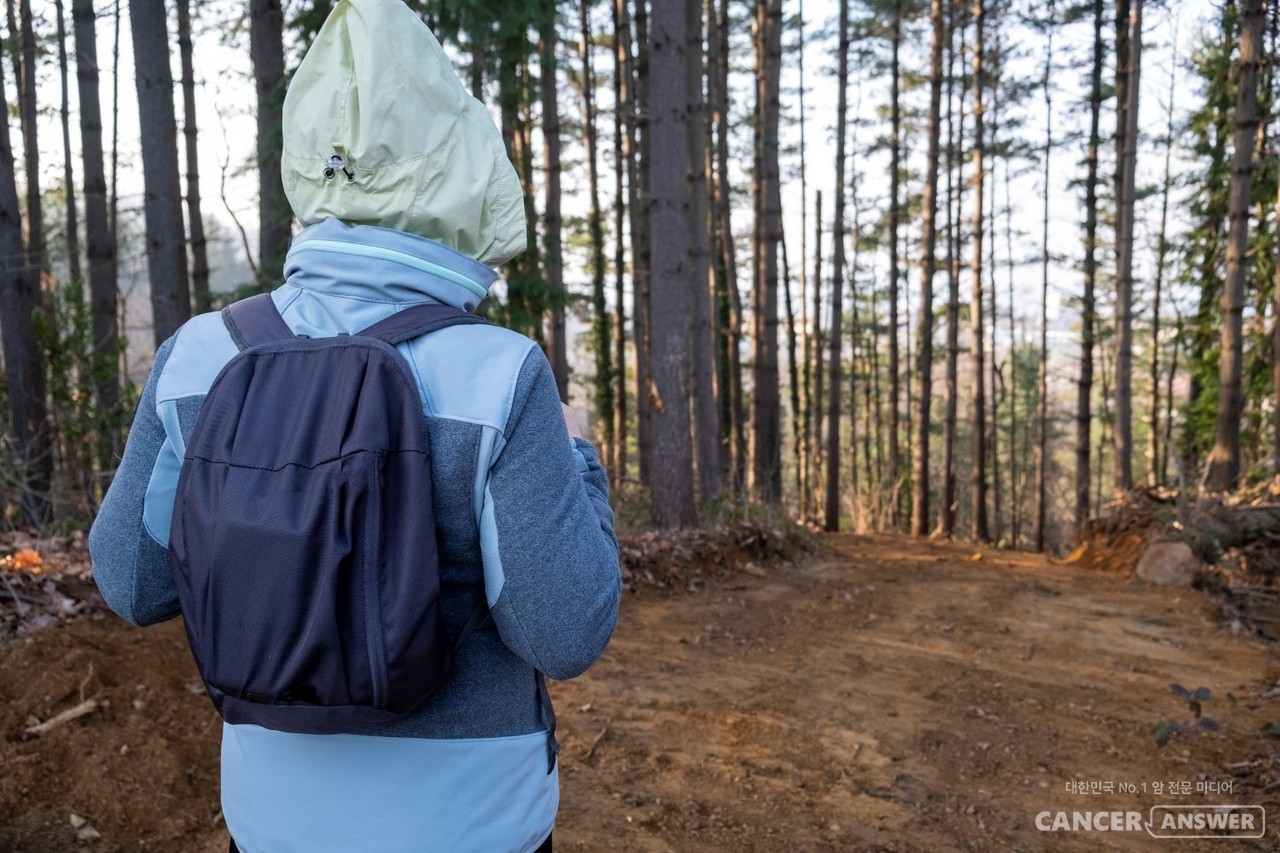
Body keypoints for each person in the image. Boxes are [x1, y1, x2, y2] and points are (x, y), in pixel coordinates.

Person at [87, 0, 621, 850]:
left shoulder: (197, 358)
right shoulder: (497, 375)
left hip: (271, 827)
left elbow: (131, 581)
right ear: (460, 169)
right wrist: (579, 455)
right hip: (473, 826)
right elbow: (563, 631)